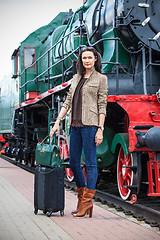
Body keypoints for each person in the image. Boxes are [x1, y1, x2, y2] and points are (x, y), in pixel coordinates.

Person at [50, 46, 108, 218]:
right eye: (84, 58)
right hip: (74, 126)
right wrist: (57, 122)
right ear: (81, 61)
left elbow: (102, 105)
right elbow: (67, 102)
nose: (87, 61)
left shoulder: (101, 79)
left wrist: (100, 128)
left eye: (90, 57)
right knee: (74, 162)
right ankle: (82, 197)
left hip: (90, 125)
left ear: (96, 59)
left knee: (90, 163)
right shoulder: (76, 78)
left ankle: (87, 202)